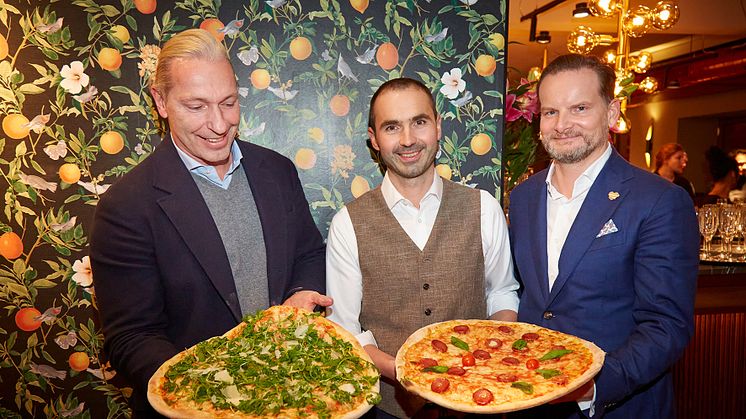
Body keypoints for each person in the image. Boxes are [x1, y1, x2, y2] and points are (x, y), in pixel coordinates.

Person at [90, 29, 330, 417]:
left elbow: (308, 253)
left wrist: (302, 294)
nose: (219, 124)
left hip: (292, 398)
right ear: (161, 101)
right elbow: (133, 337)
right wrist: (213, 391)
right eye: (196, 106)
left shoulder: (278, 170)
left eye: (228, 103)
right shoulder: (125, 206)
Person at [508, 54, 699, 418]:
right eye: (550, 112)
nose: (562, 124)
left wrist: (589, 385)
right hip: (529, 402)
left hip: (615, 404)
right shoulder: (523, 197)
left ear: (611, 113)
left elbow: (666, 325)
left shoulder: (660, 200)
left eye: (579, 107)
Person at [325, 78, 519, 418]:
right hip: (386, 407)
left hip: (478, 401)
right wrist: (403, 373)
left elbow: (502, 293)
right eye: (391, 127)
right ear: (374, 140)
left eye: (419, 122)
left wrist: (492, 353)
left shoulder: (484, 208)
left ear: (438, 126)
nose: (408, 139)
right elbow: (345, 331)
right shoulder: (347, 223)